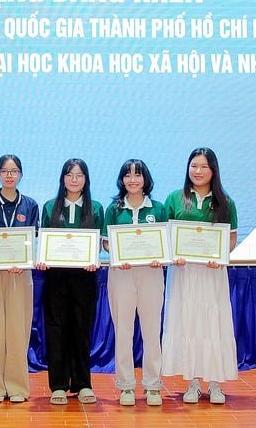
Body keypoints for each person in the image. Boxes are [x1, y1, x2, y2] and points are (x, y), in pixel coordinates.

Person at [161, 147, 238, 404]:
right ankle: (192, 383)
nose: (198, 171)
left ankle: (215, 383)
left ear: (213, 170)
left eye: (204, 166)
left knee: (213, 324)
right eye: (194, 165)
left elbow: (231, 238)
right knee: (187, 323)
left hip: (212, 273)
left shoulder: (226, 202)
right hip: (183, 273)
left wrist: (220, 256)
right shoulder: (175, 198)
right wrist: (173, 254)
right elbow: (166, 235)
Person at [36, 158, 104, 405]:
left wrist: (94, 257)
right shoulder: (49, 206)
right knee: (56, 330)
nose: (74, 180)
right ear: (62, 178)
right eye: (69, 175)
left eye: (79, 175)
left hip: (85, 278)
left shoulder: (96, 208)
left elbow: (98, 243)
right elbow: (44, 240)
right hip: (56, 278)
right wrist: (43, 258)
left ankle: (83, 384)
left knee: (82, 330)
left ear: (86, 179)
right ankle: (58, 386)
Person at [0, 155, 40, 403]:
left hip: (19, 274)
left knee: (18, 331)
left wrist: (23, 261)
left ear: (21, 174)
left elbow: (33, 241)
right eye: (4, 171)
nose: (9, 175)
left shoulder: (30, 205)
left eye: (14, 171)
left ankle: (17, 387)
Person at [102, 159, 166, 407]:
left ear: (145, 178)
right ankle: (126, 385)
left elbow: (166, 241)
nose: (133, 180)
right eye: (127, 175)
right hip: (122, 273)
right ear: (121, 180)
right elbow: (106, 242)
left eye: (137, 175)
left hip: (151, 273)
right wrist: (118, 254)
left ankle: (153, 385)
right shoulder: (113, 209)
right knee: (123, 331)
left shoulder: (158, 208)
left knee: (152, 331)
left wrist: (159, 256)